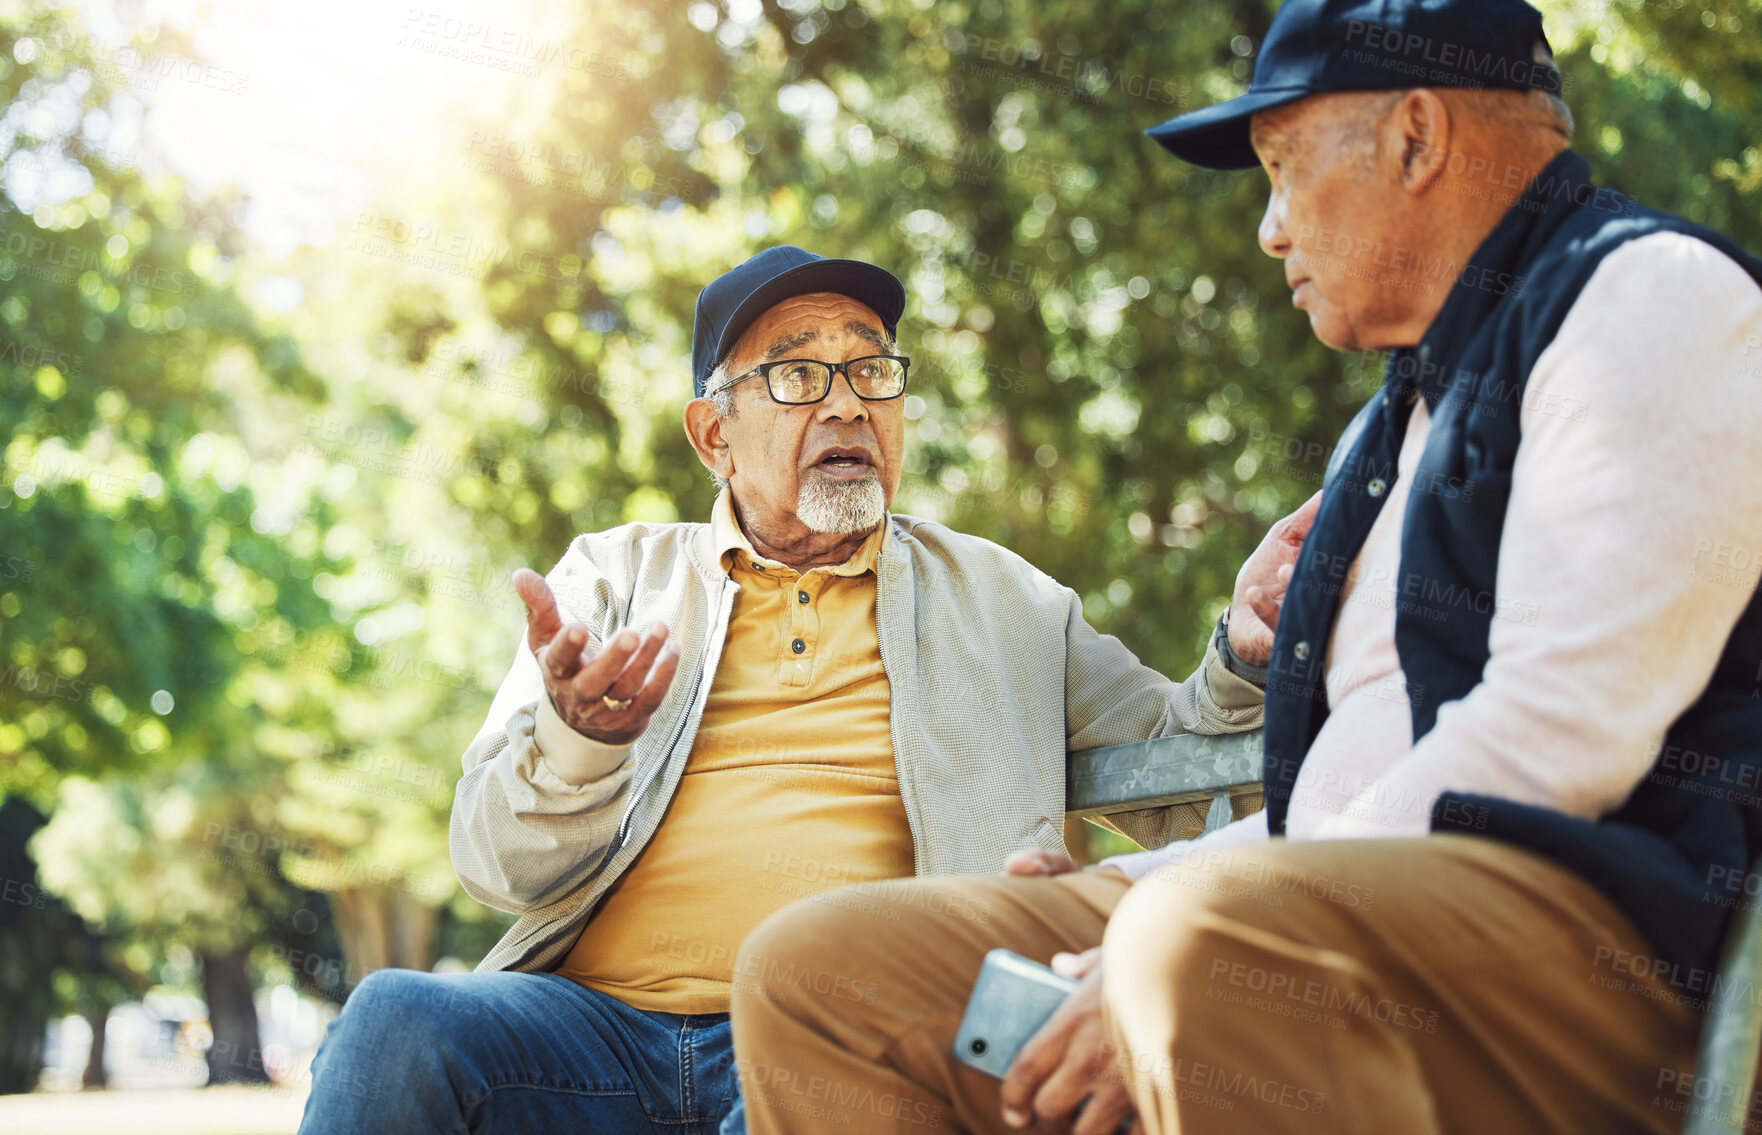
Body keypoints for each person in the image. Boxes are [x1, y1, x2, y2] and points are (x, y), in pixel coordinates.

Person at [728, 2, 1762, 1132]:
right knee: (822, 969)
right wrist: (1120, 891)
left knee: (1195, 950)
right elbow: (1328, 803)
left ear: (1415, 137)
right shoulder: (1395, 422)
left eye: (1282, 168)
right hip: (1317, 922)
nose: (1270, 229)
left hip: (1596, 964)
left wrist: (1193, 917)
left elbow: (1550, 742)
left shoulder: (1647, 298)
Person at [297, 244, 1310, 1133]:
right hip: (590, 1035)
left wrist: (1249, 651)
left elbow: (1179, 772)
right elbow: (490, 862)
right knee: (395, 1023)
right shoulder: (612, 576)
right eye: (795, 374)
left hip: (847, 1030)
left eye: (871, 367)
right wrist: (575, 737)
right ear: (713, 434)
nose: (845, 402)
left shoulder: (1009, 599)